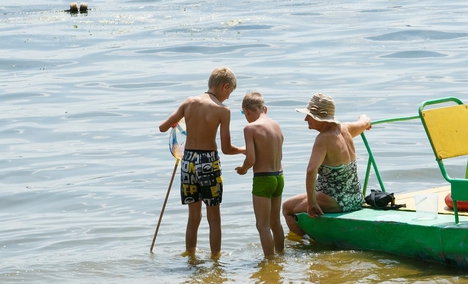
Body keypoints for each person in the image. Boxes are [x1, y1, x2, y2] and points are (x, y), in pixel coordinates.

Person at [159, 67, 245, 259]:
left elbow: (163, 127)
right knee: (214, 217)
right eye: (230, 92)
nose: (229, 97)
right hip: (208, 161)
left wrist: (180, 122)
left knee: (193, 217)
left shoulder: (189, 102)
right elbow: (226, 148)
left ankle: (191, 257)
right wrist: (245, 150)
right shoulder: (222, 110)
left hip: (188, 160)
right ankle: (216, 260)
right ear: (225, 86)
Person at [282, 93, 371, 236]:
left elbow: (311, 171)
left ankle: (306, 245)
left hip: (336, 201)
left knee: (287, 208)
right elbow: (365, 121)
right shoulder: (346, 129)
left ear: (320, 117)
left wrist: (312, 204)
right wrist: (363, 118)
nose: (306, 119)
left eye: (309, 115)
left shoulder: (323, 139)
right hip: (355, 198)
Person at [235, 91, 286, 257]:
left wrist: (243, 169)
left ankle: (270, 263)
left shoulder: (250, 128)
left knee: (262, 225)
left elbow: (251, 159)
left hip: (263, 179)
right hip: (279, 176)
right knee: (275, 222)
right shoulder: (276, 125)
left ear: (247, 111)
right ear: (265, 109)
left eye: (243, 113)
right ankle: (281, 254)